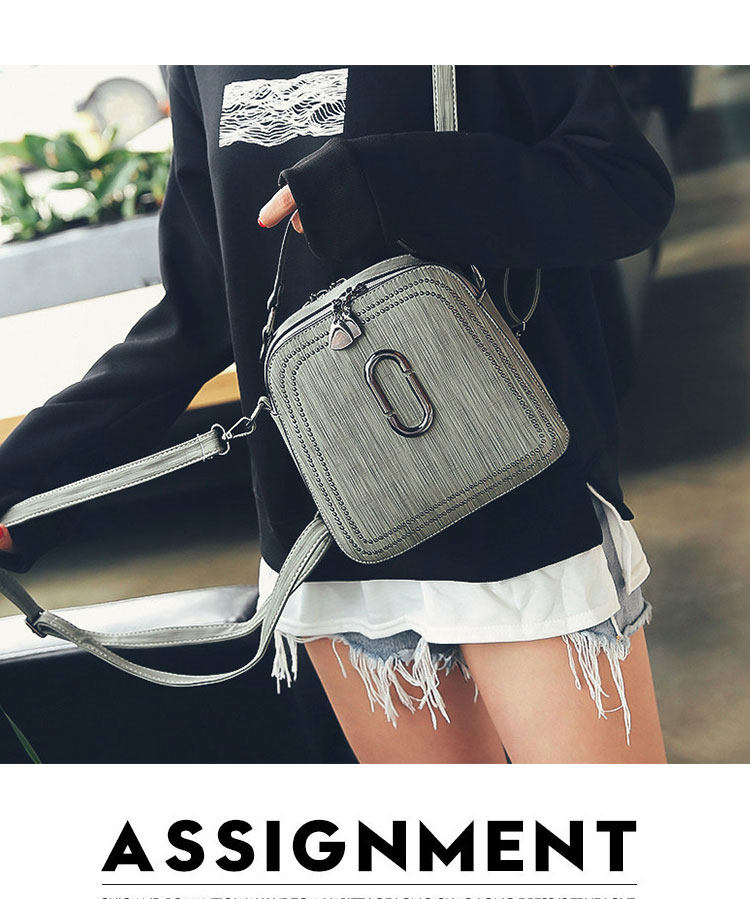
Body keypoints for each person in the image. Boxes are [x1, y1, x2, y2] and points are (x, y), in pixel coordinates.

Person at [0, 66, 674, 764]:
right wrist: (21, 483)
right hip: (328, 535)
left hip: (516, 512)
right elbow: (202, 311)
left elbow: (624, 183)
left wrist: (387, 183)